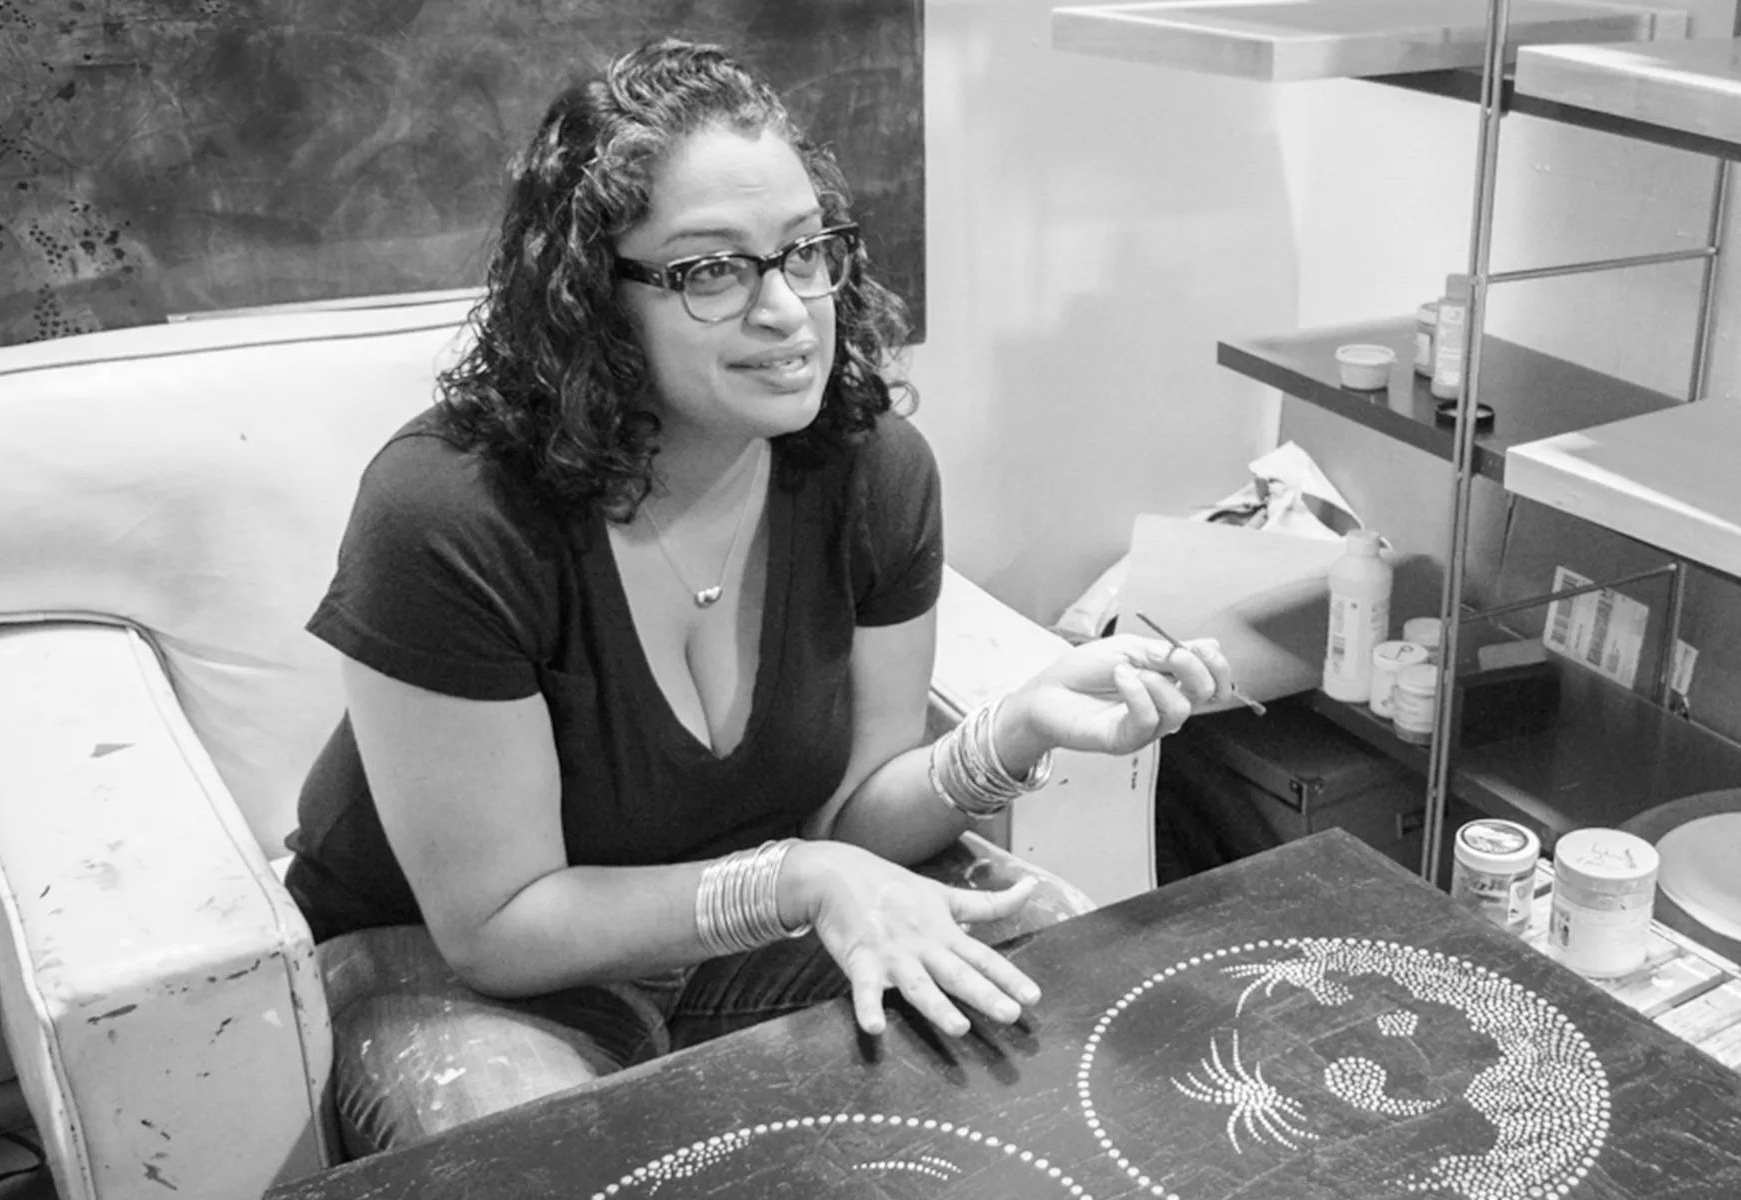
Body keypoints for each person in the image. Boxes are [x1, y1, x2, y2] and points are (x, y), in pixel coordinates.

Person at [282, 36, 1233, 1157]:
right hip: (456, 972)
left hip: (758, 930)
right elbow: (496, 928)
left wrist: (1016, 727)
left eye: (803, 252)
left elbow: (851, 815)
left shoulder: (870, 468)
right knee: (531, 1154)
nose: (787, 312)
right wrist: (797, 878)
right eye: (711, 270)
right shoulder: (448, 515)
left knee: (1066, 987)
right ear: (595, 299)